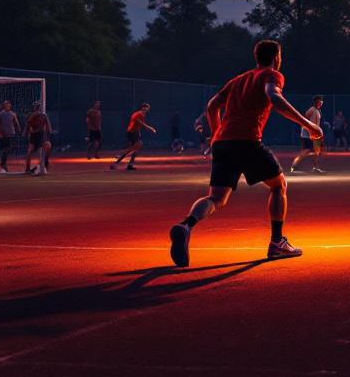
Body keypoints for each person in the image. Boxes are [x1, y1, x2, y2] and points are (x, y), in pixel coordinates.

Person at [168, 40, 322, 267]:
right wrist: (309, 125)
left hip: (223, 143)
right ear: (276, 57)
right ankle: (277, 242)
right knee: (279, 185)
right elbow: (275, 98)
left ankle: (186, 225)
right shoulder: (272, 75)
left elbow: (212, 106)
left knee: (216, 198)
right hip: (247, 141)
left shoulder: (238, 80)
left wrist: (217, 132)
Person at [111, 103, 155, 171]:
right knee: (138, 145)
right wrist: (150, 128)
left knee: (136, 148)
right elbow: (140, 123)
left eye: (148, 108)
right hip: (132, 133)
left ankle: (125, 164)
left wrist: (138, 132)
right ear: (143, 108)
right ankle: (121, 156)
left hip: (135, 133)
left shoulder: (142, 115)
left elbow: (138, 125)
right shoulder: (138, 114)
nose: (148, 109)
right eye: (147, 108)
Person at [290, 96, 326, 173]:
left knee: (317, 151)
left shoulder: (317, 111)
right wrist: (310, 131)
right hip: (308, 134)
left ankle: (315, 168)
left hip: (314, 133)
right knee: (305, 151)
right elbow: (305, 120)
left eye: (321, 102)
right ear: (315, 102)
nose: (320, 104)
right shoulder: (312, 110)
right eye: (319, 102)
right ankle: (293, 167)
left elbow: (316, 124)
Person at [0, 99, 22, 174]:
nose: (7, 105)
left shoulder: (13, 114)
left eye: (8, 104)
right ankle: (2, 165)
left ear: (10, 105)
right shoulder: (0, 114)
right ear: (3, 105)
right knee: (4, 149)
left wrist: (19, 129)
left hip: (11, 134)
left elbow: (16, 122)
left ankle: (3, 165)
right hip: (3, 134)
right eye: (6, 104)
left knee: (7, 150)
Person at [25, 102, 53, 175]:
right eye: (37, 107)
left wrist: (49, 131)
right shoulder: (31, 116)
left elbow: (49, 128)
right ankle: (27, 169)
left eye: (39, 107)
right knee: (29, 152)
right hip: (34, 137)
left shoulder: (44, 116)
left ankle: (44, 165)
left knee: (48, 147)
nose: (38, 109)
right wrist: (38, 129)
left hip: (42, 136)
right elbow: (30, 129)